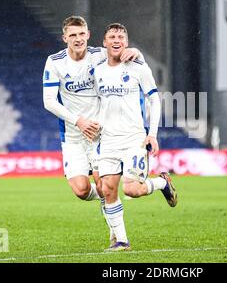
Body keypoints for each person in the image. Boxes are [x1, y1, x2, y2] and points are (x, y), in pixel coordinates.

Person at [42, 16, 142, 246]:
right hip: (73, 135)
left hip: (100, 134)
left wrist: (136, 51)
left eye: (82, 34)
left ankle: (120, 239)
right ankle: (108, 197)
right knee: (81, 189)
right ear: (65, 38)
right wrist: (79, 121)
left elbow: (129, 60)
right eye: (73, 35)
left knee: (106, 186)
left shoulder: (99, 55)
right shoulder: (55, 62)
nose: (78, 39)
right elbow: (49, 101)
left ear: (88, 34)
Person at [94, 23, 178, 252]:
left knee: (131, 189)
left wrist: (152, 134)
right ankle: (121, 241)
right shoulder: (98, 70)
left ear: (126, 42)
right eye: (111, 36)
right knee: (108, 189)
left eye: (121, 36)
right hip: (108, 140)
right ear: (104, 43)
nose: (116, 40)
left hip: (134, 139)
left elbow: (154, 98)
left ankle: (162, 183)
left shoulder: (138, 67)